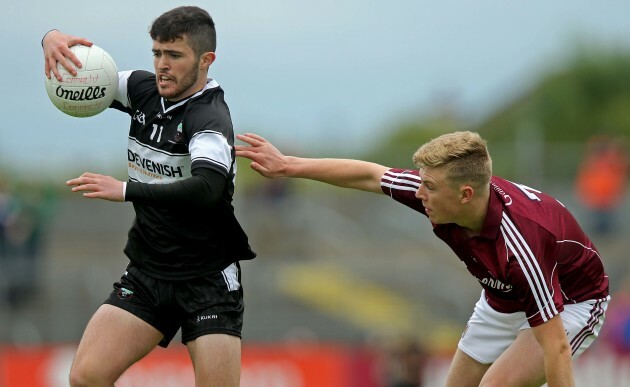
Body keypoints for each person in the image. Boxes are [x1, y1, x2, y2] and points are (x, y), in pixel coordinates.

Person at [235, 131, 610, 387]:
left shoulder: (521, 244)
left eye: (429, 187)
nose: (420, 193)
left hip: (571, 302)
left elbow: (556, 346)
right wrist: (288, 165)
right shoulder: (437, 192)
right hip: (502, 296)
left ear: (465, 195)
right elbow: (369, 174)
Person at [42, 6, 255, 386]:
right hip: (148, 271)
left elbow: (208, 189)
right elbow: (85, 78)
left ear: (206, 61)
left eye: (174, 55)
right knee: (85, 377)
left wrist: (125, 190)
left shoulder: (209, 119)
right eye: (157, 53)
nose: (162, 65)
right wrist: (51, 39)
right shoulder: (143, 90)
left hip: (207, 279)